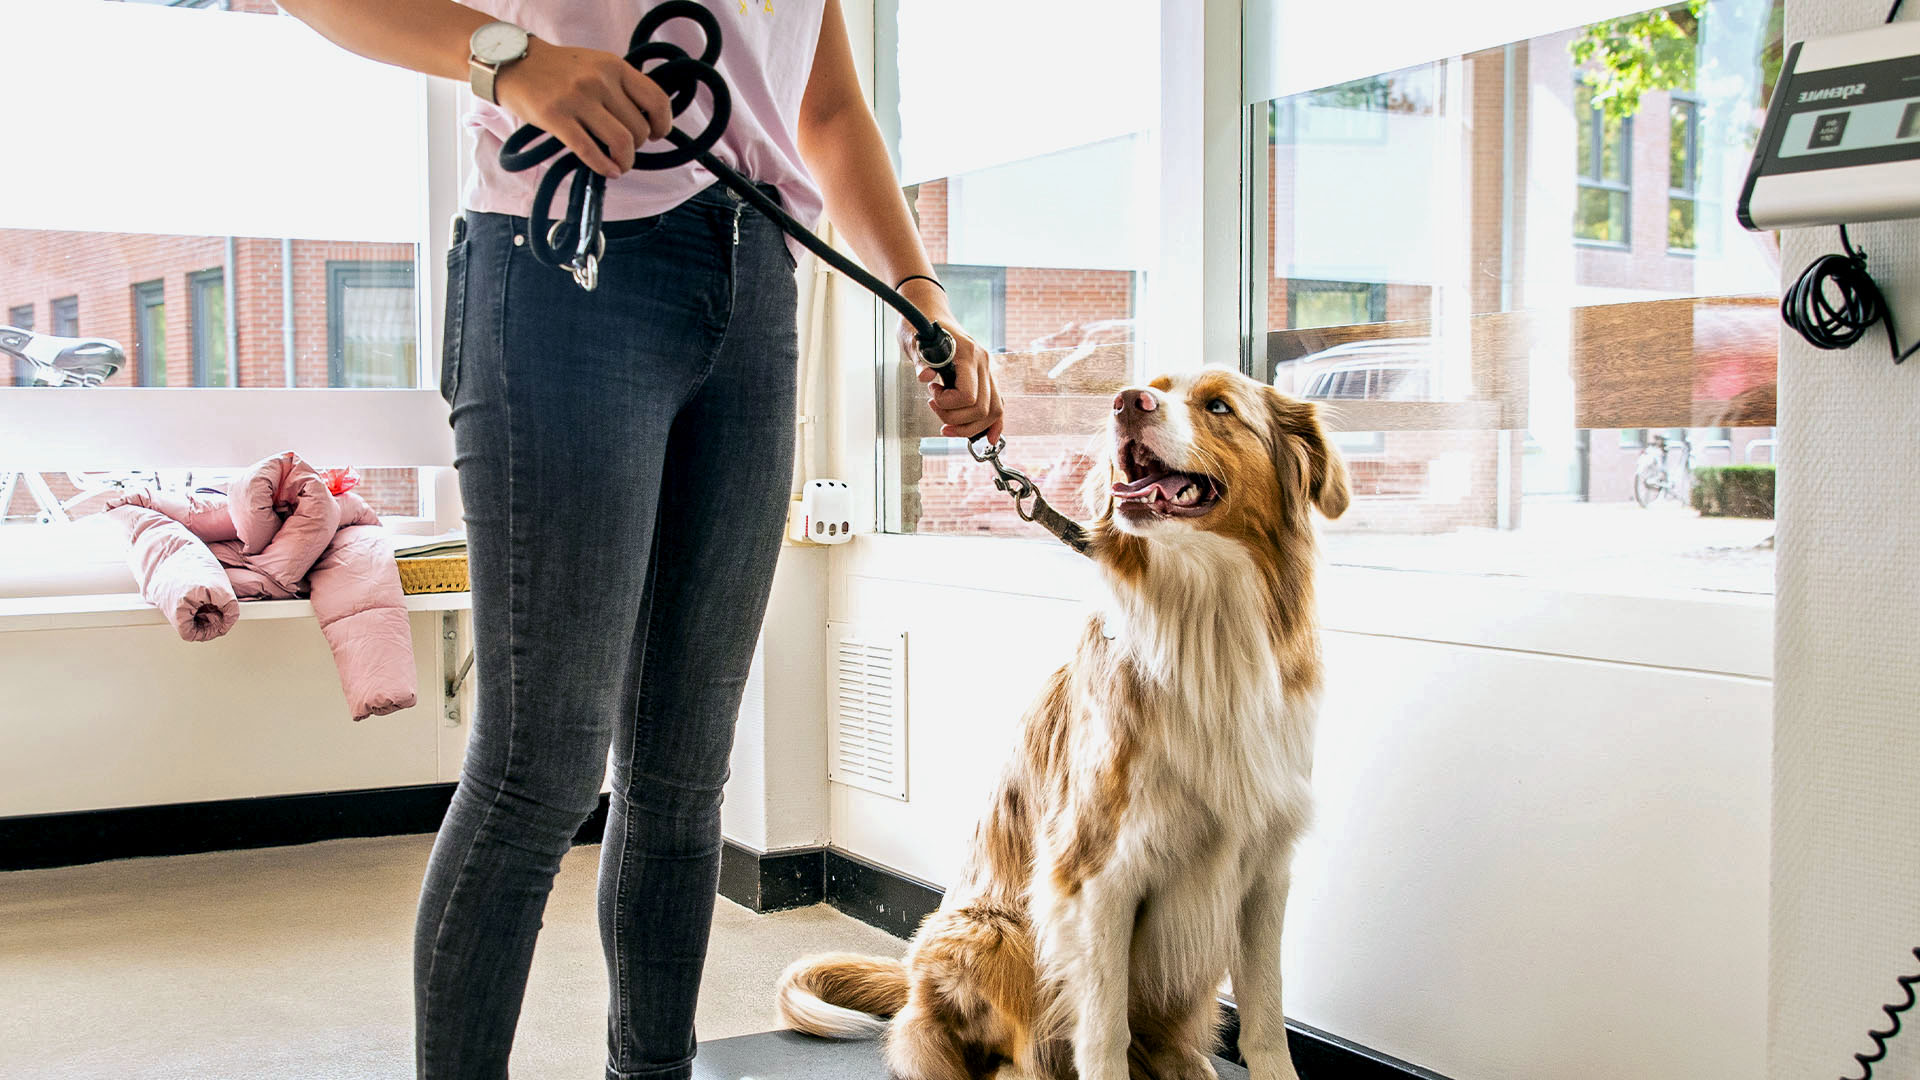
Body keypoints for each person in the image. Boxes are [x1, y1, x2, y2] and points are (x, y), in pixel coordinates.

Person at [277, 2, 1002, 1077]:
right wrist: (507, 59)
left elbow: (831, 105)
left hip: (758, 286)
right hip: (566, 258)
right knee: (539, 769)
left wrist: (919, 295)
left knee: (682, 773)